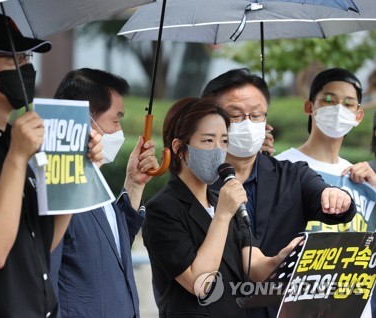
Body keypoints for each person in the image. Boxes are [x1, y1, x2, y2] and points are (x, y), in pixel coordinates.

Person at [0, 10, 102, 317]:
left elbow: (44, 244)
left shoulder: (13, 141)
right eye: (11, 59)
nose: (24, 68)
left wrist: (79, 170)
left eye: (27, 59)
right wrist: (17, 158)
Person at [201, 68, 356, 318]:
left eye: (256, 115)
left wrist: (339, 199)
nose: (247, 124)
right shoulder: (197, 186)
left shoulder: (292, 175)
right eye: (236, 116)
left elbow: (329, 202)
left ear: (266, 121)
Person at [143, 97, 304, 317]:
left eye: (224, 141)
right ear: (180, 148)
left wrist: (280, 259)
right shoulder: (162, 209)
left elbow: (253, 265)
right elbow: (199, 283)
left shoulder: (221, 199)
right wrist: (222, 216)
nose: (219, 150)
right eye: (208, 141)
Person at [49, 68, 158, 317]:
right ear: (87, 120)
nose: (119, 130)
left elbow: (113, 249)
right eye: (116, 120)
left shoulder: (94, 175)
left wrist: (134, 184)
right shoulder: (57, 185)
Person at [275, 68, 376, 317]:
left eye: (348, 103)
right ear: (310, 107)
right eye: (329, 100)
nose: (338, 108)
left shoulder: (363, 179)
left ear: (359, 115)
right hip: (295, 306)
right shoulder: (280, 167)